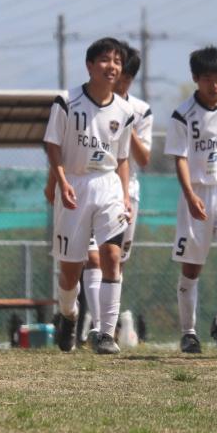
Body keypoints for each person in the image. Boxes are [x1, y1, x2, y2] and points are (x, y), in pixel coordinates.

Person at [43, 37, 135, 354]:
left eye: (117, 62)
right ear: (90, 65)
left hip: (108, 184)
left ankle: (106, 333)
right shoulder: (66, 101)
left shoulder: (125, 110)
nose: (112, 67)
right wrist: (61, 181)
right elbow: (52, 145)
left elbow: (122, 158)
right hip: (75, 184)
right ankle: (69, 314)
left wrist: (125, 195)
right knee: (70, 272)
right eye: (105, 60)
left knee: (111, 256)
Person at [165, 46, 217, 354]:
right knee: (191, 268)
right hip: (197, 193)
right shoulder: (183, 114)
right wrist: (190, 196)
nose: (213, 85)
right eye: (206, 79)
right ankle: (189, 332)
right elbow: (180, 158)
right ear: (195, 79)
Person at [77, 43, 152, 347]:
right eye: (118, 74)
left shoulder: (140, 111)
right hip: (93, 185)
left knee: (115, 261)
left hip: (126, 190)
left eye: (127, 78)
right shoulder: (87, 102)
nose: (121, 82)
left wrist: (126, 124)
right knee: (93, 257)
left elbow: (143, 159)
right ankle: (101, 328)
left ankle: (104, 323)